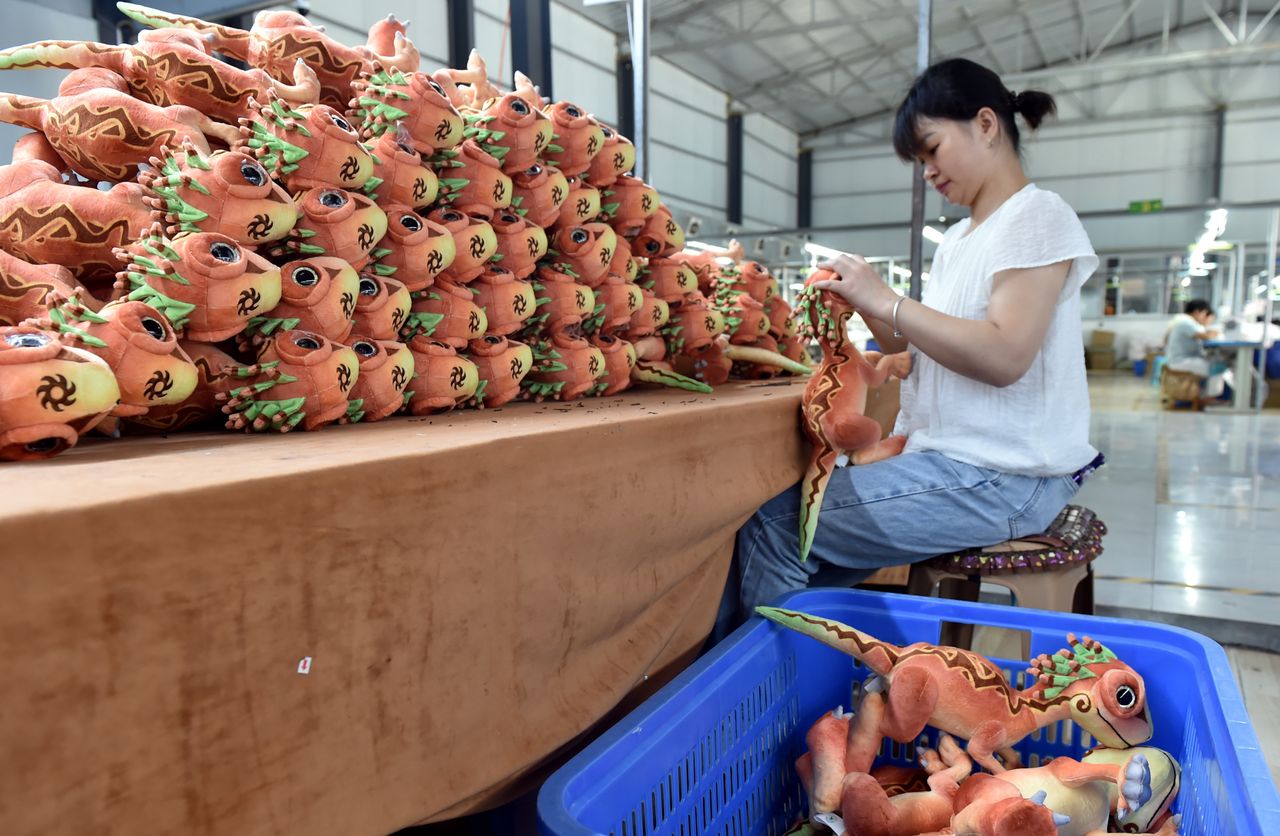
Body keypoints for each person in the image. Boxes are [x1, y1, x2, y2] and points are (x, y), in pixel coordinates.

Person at [716, 58, 1104, 633]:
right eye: (919, 160)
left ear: (986, 125)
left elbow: (1003, 356)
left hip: (1006, 476)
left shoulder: (1037, 217)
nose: (927, 171)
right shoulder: (957, 241)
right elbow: (925, 347)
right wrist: (868, 302)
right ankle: (807, 688)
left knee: (776, 529)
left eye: (932, 149)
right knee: (795, 552)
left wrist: (890, 301)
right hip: (960, 461)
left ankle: (753, 702)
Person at [1164, 299, 1226, 398]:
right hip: (1180, 361)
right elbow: (1206, 336)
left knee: (1215, 363)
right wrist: (1216, 332)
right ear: (1197, 312)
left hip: (1181, 359)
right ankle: (1210, 398)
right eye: (1204, 314)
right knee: (1217, 367)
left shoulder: (1185, 321)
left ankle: (1207, 395)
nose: (1205, 317)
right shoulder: (1186, 323)